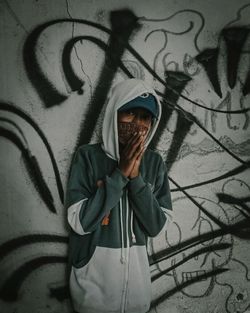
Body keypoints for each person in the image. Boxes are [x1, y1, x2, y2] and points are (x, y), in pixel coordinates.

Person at [65, 78, 172, 313]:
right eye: (130, 114)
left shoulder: (154, 163)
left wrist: (136, 179)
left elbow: (156, 226)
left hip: (137, 296)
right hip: (92, 295)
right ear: (114, 113)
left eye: (145, 118)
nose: (138, 124)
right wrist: (120, 175)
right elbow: (79, 222)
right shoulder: (87, 157)